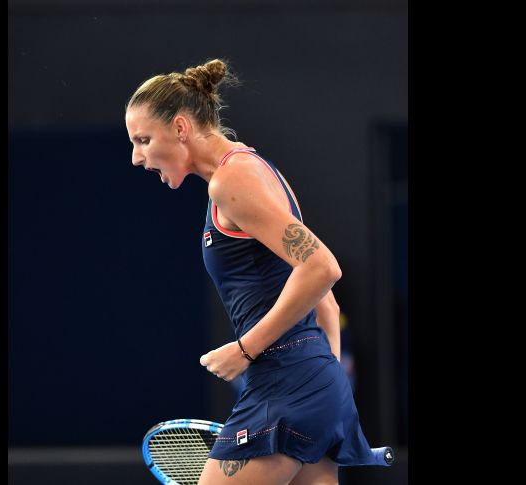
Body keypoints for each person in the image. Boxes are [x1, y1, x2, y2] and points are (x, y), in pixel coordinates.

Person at [125, 59, 375, 485]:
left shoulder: (232, 181)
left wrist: (244, 350)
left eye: (144, 140)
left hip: (283, 384)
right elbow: (326, 304)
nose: (137, 157)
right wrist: (326, 384)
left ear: (181, 128)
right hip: (312, 383)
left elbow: (321, 268)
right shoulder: (259, 170)